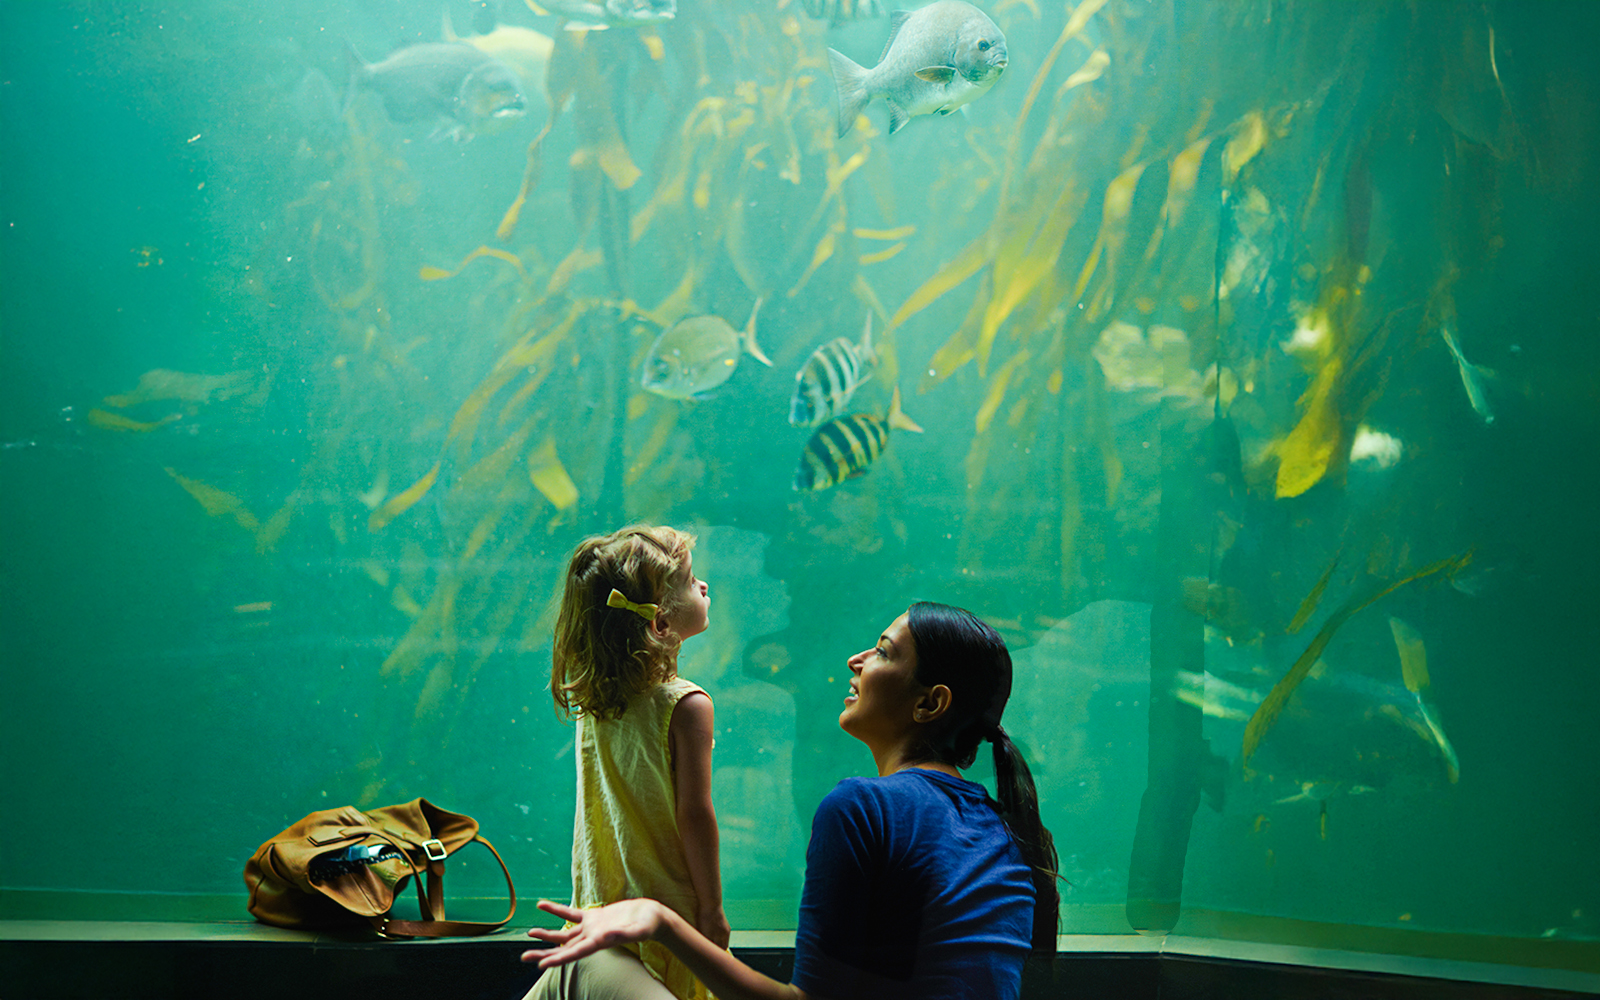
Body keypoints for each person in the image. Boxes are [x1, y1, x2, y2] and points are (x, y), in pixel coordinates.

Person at [524, 601, 1060, 1000]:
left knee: (578, 967)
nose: (856, 660)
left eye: (883, 652)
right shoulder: (1005, 829)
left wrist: (660, 921)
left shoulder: (863, 808)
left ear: (930, 703)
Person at [527, 525, 726, 1000]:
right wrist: (713, 911)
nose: (703, 586)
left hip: (596, 910)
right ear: (660, 623)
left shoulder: (595, 698)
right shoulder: (687, 705)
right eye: (690, 579)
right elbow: (695, 815)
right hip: (665, 916)